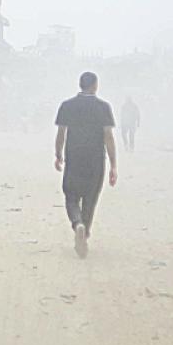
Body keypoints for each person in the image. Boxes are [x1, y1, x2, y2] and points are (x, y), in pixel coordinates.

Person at [54, 72, 119, 259]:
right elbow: (108, 137)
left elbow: (61, 134)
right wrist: (113, 165)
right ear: (95, 86)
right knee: (91, 197)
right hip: (96, 159)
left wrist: (58, 155)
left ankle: (77, 223)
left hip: (74, 158)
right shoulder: (103, 107)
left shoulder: (67, 106)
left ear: (80, 85)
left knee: (71, 195)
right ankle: (85, 229)